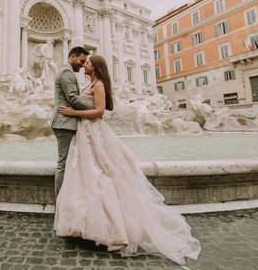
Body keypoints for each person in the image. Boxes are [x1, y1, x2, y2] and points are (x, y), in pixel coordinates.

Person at [54, 55, 201, 265]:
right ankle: (85, 224)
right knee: (86, 176)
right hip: (84, 135)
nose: (83, 65)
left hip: (94, 133)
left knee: (101, 176)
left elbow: (99, 112)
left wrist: (72, 111)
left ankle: (112, 229)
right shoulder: (91, 83)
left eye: (87, 63)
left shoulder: (99, 85)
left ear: (94, 67)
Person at [50, 46, 94, 197]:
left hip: (65, 122)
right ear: (73, 56)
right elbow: (73, 98)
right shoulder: (66, 72)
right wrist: (93, 108)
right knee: (63, 163)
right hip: (64, 122)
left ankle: (65, 199)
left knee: (67, 162)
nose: (82, 65)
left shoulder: (65, 72)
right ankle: (60, 200)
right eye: (81, 61)